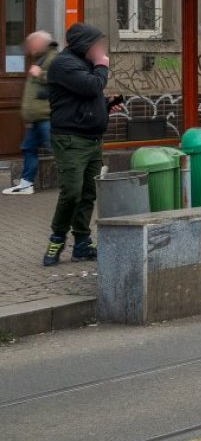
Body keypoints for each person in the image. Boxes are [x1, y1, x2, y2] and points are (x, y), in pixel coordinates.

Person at [44, 23, 121, 265]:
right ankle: (57, 238)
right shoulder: (63, 64)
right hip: (71, 140)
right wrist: (102, 65)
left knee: (88, 194)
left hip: (92, 140)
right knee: (72, 192)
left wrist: (106, 106)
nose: (101, 49)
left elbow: (85, 97)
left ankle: (82, 243)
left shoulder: (84, 64)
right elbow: (91, 87)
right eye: (96, 44)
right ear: (83, 44)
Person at [6, 31, 55, 196]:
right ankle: (26, 184)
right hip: (35, 117)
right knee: (29, 148)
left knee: (57, 149)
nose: (29, 47)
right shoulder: (39, 59)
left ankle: (84, 178)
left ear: (42, 43)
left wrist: (40, 74)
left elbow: (61, 79)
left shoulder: (53, 58)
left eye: (32, 43)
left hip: (46, 116)